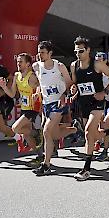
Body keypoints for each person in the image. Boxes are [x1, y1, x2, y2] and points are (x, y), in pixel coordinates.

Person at [69, 37, 109, 181]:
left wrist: (104, 92)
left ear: (88, 50)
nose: (78, 54)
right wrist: (74, 90)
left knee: (87, 133)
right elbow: (75, 83)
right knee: (93, 135)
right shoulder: (74, 65)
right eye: (76, 51)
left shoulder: (97, 64)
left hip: (97, 103)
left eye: (81, 51)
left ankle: (86, 169)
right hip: (83, 103)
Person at [32, 40, 77, 176]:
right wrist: (37, 92)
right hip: (46, 103)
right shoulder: (36, 66)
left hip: (58, 103)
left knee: (46, 131)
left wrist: (64, 94)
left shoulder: (60, 66)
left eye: (43, 53)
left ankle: (46, 165)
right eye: (39, 52)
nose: (40, 55)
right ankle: (75, 129)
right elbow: (41, 83)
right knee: (53, 134)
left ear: (50, 53)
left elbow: (69, 83)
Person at [0, 53, 43, 153]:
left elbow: (41, 86)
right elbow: (12, 94)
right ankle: (39, 155)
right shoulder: (16, 75)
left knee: (15, 128)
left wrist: (37, 93)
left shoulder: (31, 77)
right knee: (26, 134)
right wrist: (4, 87)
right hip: (24, 108)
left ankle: (36, 132)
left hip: (33, 108)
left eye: (21, 62)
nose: (18, 64)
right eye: (17, 61)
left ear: (28, 64)